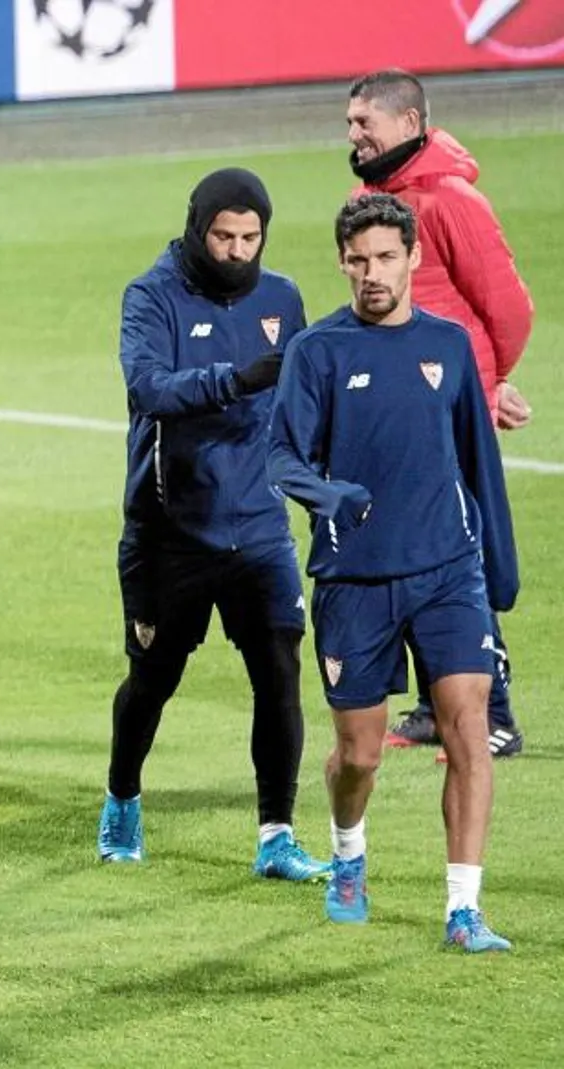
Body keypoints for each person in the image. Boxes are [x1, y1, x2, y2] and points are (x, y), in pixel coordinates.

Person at [269, 193, 517, 952]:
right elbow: (281, 458)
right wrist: (326, 492)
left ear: (413, 259)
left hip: (448, 572)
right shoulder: (318, 350)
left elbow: (479, 459)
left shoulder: (446, 347)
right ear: (342, 262)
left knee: (468, 731)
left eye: (385, 258)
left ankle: (463, 909)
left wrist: (499, 569)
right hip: (356, 579)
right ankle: (349, 853)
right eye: (358, 260)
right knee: (361, 753)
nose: (372, 273)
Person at [95, 168, 328, 882]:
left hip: (258, 526)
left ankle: (277, 834)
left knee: (280, 674)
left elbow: (302, 398)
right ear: (198, 228)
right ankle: (123, 800)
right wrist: (237, 378)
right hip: (172, 532)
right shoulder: (152, 295)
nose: (236, 249)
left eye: (250, 237)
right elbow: (147, 388)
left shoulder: (282, 296)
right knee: (154, 679)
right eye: (223, 235)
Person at [343, 68, 534, 757]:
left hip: (450, 407)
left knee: (457, 551)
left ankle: (495, 713)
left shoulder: (451, 199)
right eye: (350, 123)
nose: (354, 134)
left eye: (366, 122)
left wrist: (487, 383)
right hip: (395, 409)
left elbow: (509, 305)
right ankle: (435, 703)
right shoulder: (370, 199)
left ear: (408, 122)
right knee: (414, 548)